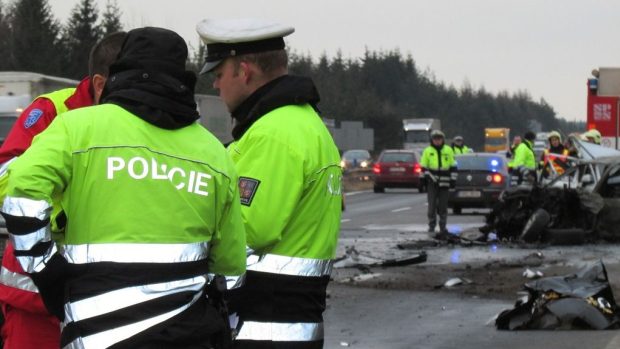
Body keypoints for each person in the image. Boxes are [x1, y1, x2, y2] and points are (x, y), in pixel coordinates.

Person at [0, 27, 247, 349]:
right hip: (186, 331)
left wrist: (46, 267)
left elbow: (20, 188)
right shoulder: (214, 152)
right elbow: (230, 262)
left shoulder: (78, 127)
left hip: (93, 328)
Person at [197, 18, 342, 349]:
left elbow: (245, 231)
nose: (216, 86)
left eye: (219, 75)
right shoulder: (303, 123)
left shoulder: (274, 135)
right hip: (290, 324)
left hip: (261, 327)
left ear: (244, 71)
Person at [0, 31, 126, 349]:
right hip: (36, 301)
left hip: (104, 301)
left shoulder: (137, 119)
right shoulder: (53, 110)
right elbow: (4, 181)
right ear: (100, 84)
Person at [420, 129, 457, 236]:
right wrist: (422, 180)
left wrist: (453, 180)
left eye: (439, 139)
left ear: (442, 140)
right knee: (431, 206)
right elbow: (423, 167)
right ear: (432, 140)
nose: (437, 141)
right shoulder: (427, 151)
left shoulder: (448, 150)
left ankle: (442, 227)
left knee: (443, 206)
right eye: (435, 139)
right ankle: (431, 226)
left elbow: (453, 166)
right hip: (432, 182)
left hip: (444, 182)